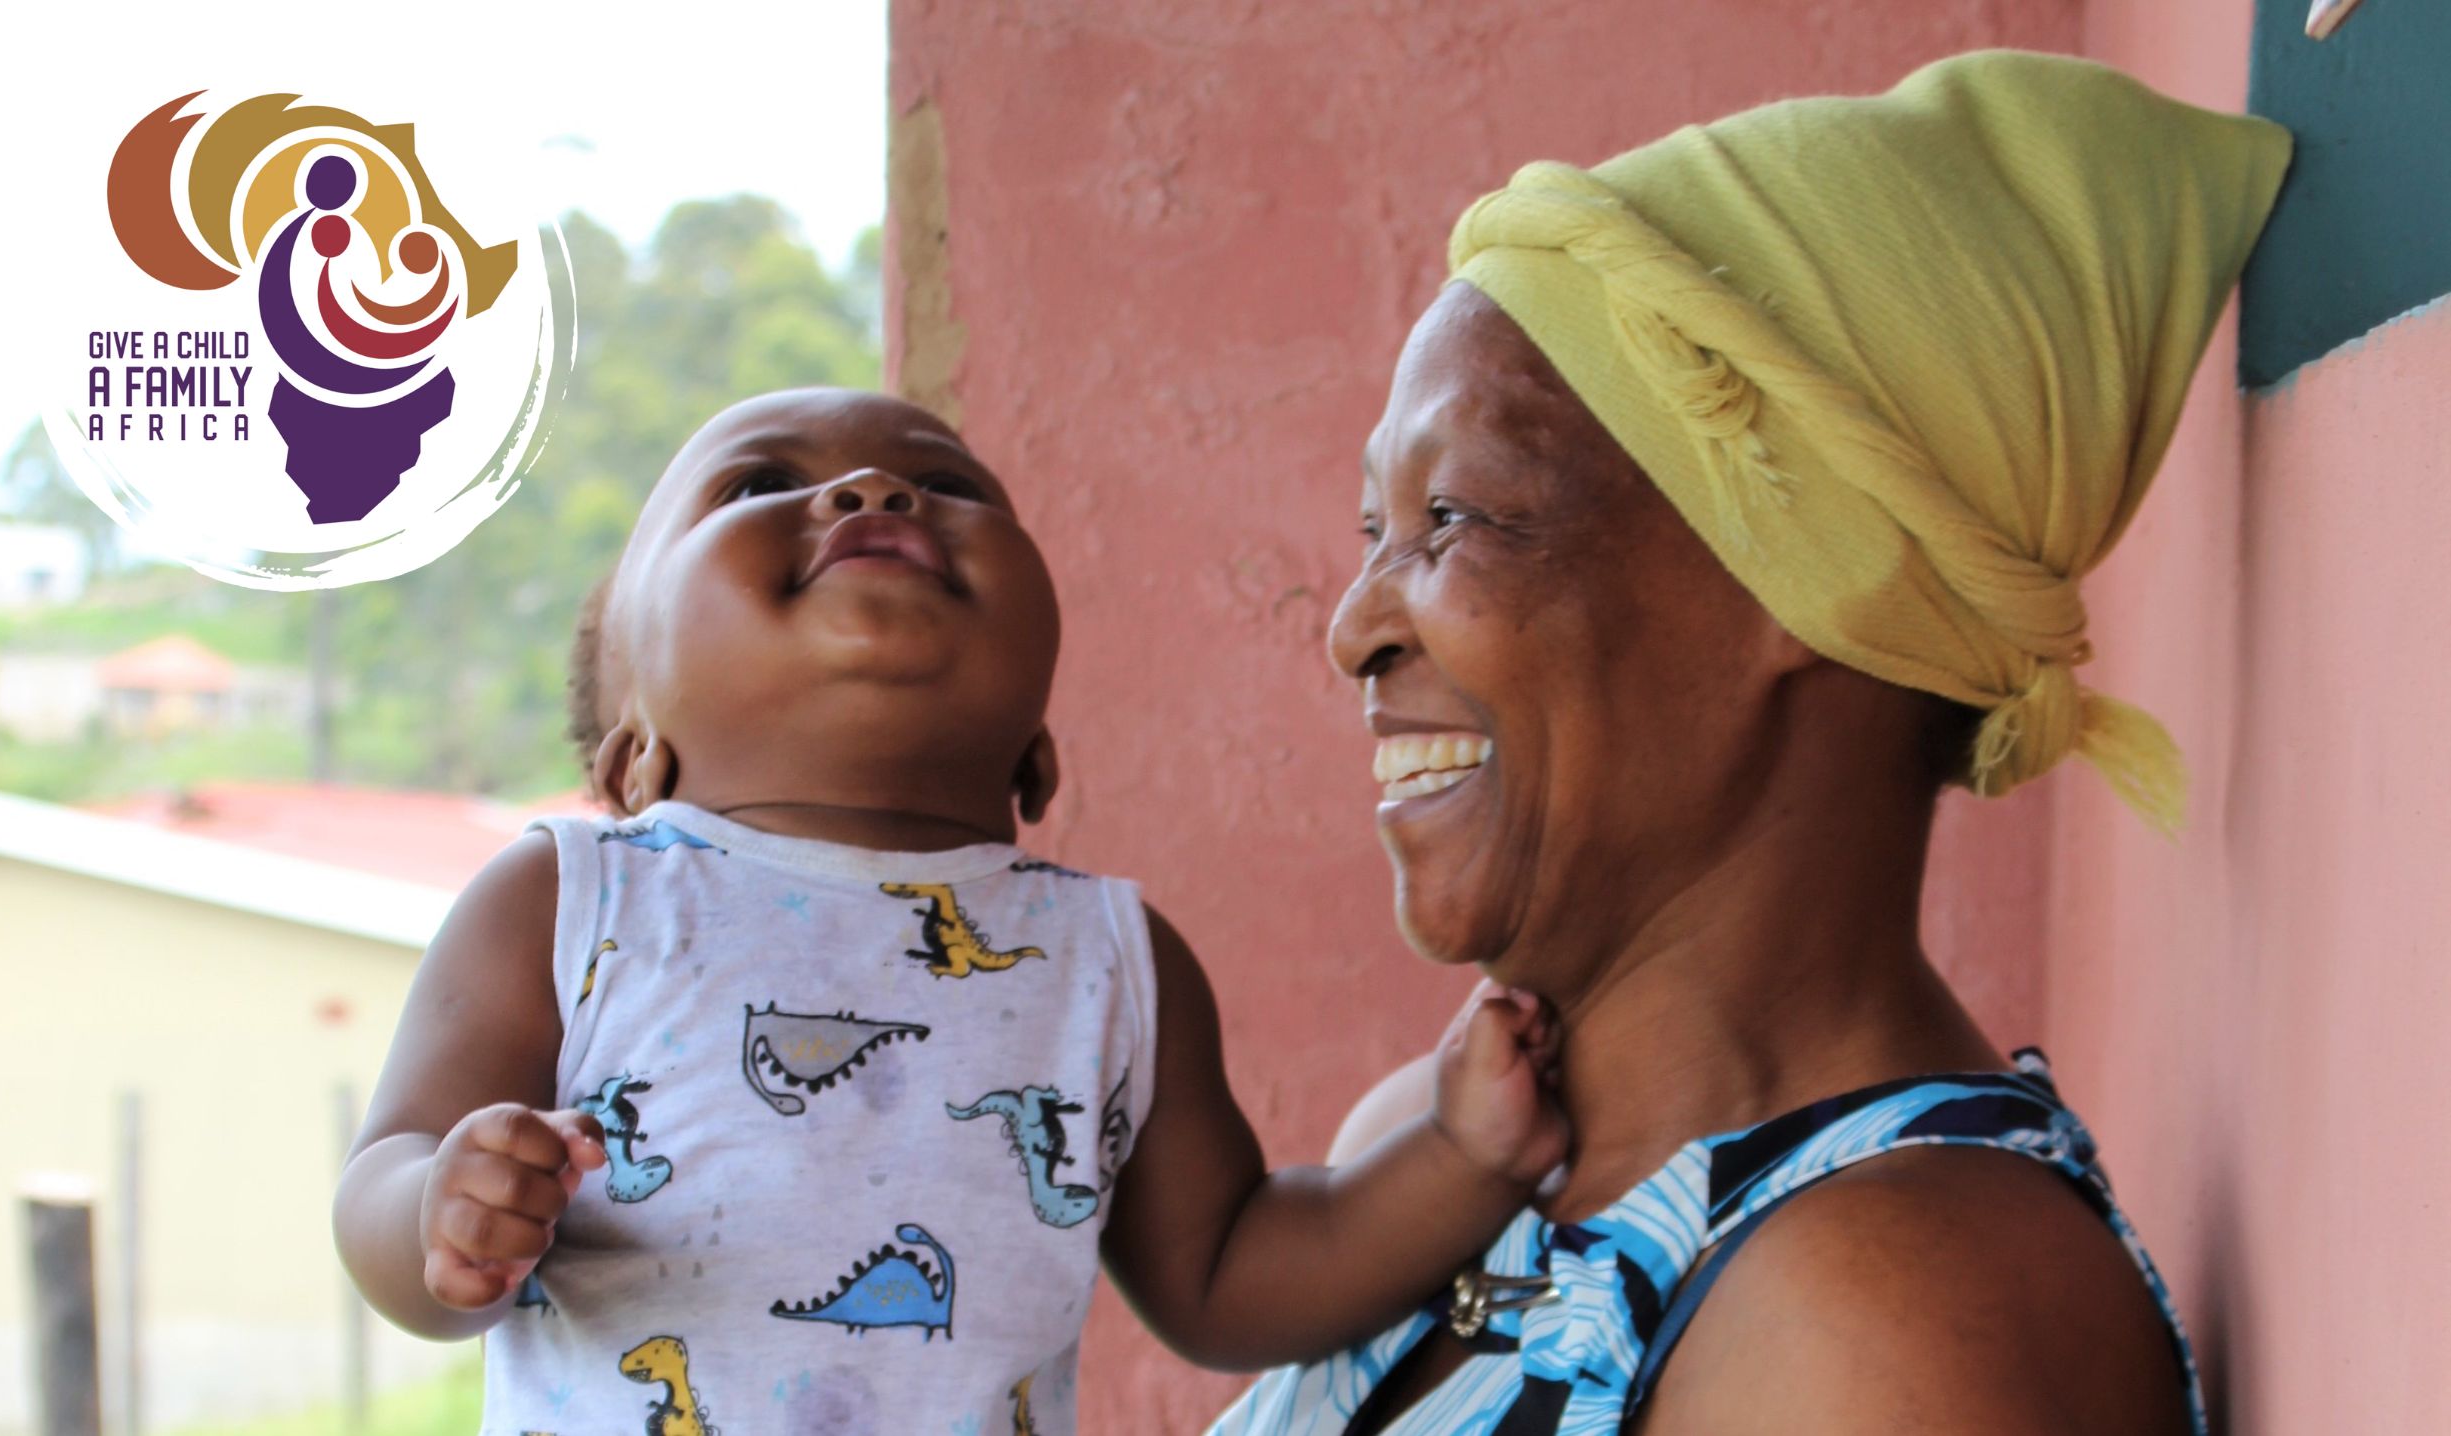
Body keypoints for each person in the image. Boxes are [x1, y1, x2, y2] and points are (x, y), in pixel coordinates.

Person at [1214, 49, 2289, 1436]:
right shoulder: (1427, 1172)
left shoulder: (1879, 1324)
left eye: (1459, 516)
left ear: (1813, 576)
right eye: (1376, 529)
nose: (1353, 625)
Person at [330, 387, 1571, 1435]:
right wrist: (442, 1212)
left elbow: (1227, 1274)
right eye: (759, 482)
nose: (873, 489)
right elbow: (382, 1176)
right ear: (634, 748)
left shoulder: (1114, 960)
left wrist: (1460, 1156)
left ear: (1036, 752)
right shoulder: (568, 898)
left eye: (948, 484)